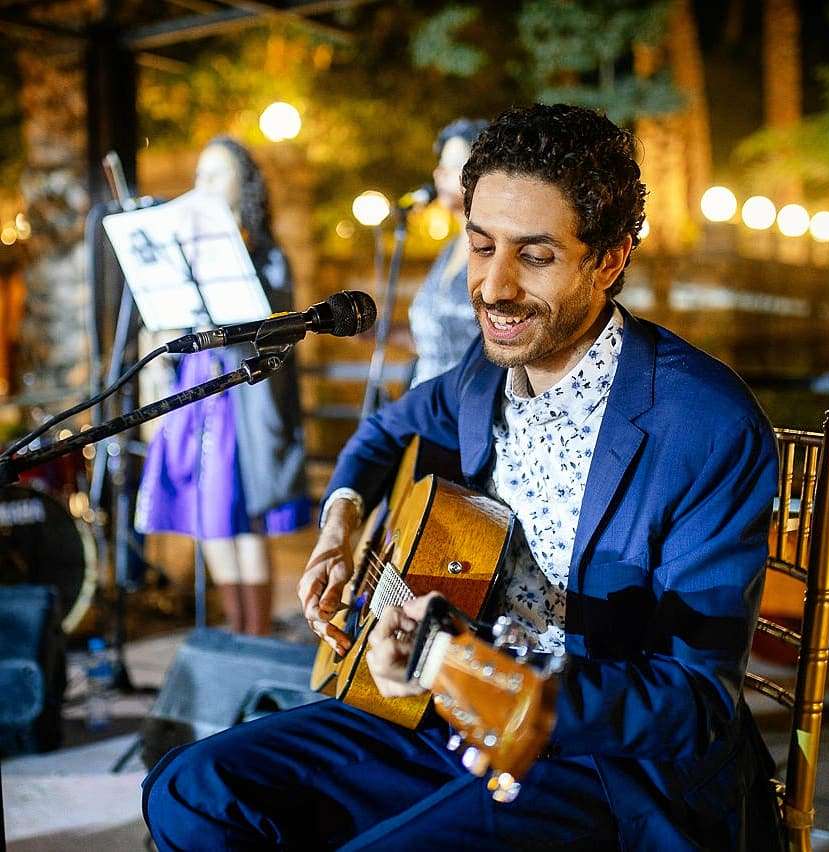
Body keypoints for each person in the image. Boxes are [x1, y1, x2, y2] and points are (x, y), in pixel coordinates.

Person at [142, 106, 783, 850]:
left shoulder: (703, 423)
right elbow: (385, 429)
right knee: (190, 789)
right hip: (438, 712)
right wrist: (344, 519)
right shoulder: (483, 375)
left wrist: (466, 667)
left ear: (609, 259)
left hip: (598, 761)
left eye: (534, 256)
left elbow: (694, 702)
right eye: (481, 247)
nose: (495, 286)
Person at [135, 136, 310, 637]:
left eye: (217, 174)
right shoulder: (184, 250)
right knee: (206, 512)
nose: (204, 185)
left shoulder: (265, 252)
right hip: (198, 388)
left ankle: (254, 636)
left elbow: (275, 325)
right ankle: (233, 633)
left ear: (243, 184)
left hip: (242, 393)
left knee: (240, 512)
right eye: (200, 174)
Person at [407, 117, 488, 387]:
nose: (439, 173)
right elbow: (437, 338)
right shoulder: (449, 250)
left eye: (454, 165)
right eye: (441, 165)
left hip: (466, 402)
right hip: (427, 409)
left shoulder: (493, 252)